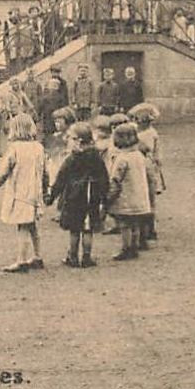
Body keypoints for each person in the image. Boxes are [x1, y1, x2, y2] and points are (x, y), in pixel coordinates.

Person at [0, 113, 49, 273]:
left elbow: (3, 171)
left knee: (22, 226)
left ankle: (21, 260)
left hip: (21, 192)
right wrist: (45, 189)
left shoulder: (14, 149)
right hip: (35, 192)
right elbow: (45, 172)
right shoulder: (39, 147)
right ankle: (37, 256)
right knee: (32, 225)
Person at [48, 121, 109, 268]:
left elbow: (60, 179)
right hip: (91, 198)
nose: (67, 140)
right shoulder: (97, 158)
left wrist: (52, 196)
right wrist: (104, 196)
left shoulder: (71, 159)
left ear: (78, 141)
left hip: (74, 198)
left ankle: (73, 256)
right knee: (88, 229)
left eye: (70, 137)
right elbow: (104, 178)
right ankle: (87, 257)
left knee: (74, 230)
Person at [105, 121, 154, 259]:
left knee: (125, 224)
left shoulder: (122, 159)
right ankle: (135, 246)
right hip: (139, 197)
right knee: (135, 224)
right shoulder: (139, 156)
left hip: (126, 198)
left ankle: (126, 249)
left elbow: (116, 178)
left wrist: (109, 196)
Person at [129, 103, 164, 240]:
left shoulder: (147, 135)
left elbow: (147, 150)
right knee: (149, 199)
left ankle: (148, 230)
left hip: (145, 167)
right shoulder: (151, 132)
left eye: (137, 119)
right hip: (150, 166)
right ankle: (148, 229)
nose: (136, 122)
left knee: (147, 198)